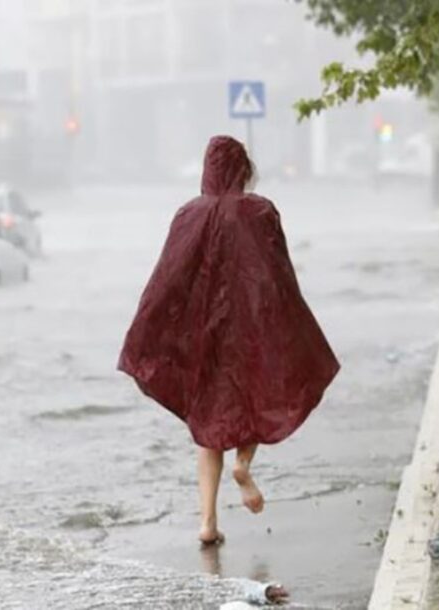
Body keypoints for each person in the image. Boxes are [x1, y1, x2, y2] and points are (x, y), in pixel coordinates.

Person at [118, 135, 340, 545]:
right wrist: (289, 324)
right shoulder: (260, 211)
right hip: (250, 328)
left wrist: (152, 331)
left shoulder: (188, 214)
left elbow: (167, 278)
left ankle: (207, 522)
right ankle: (244, 462)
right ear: (242, 169)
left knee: (208, 426)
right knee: (255, 401)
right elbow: (279, 272)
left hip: (205, 335)